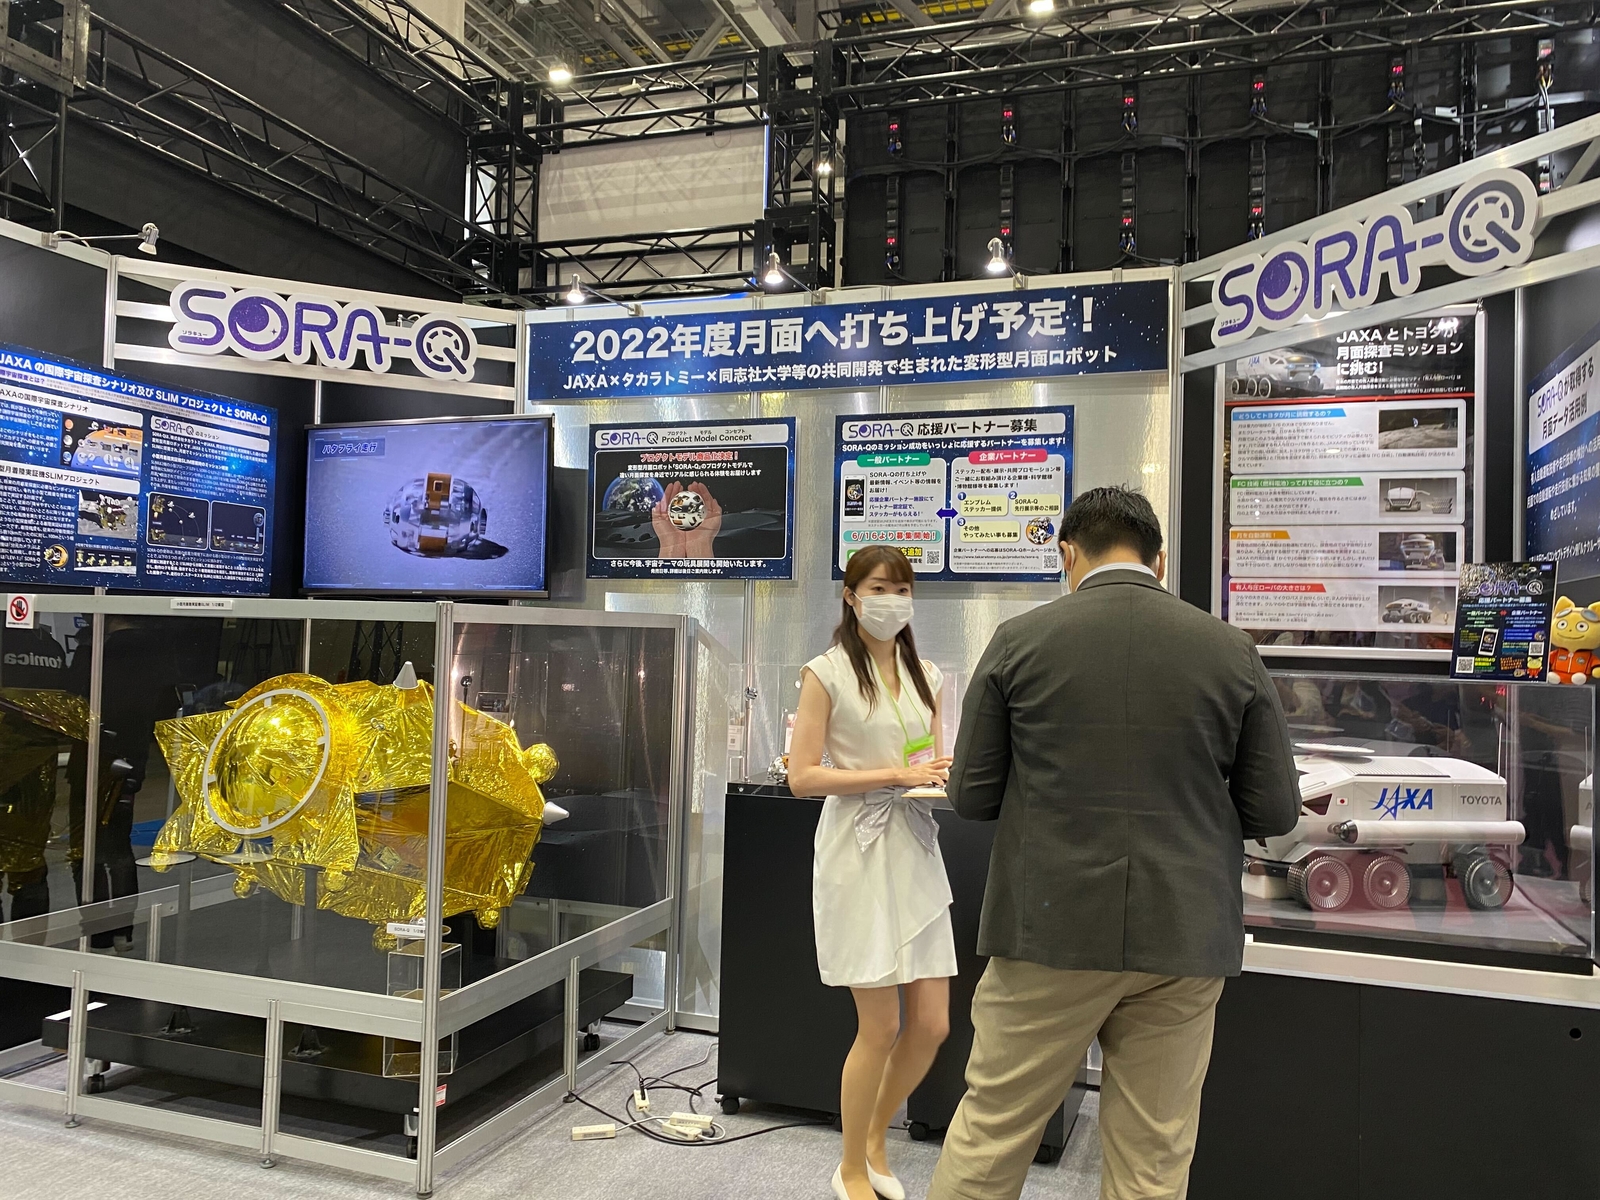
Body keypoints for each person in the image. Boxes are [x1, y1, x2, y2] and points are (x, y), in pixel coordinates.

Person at [929, 486, 1298, 1200]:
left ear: (1068, 553)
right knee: (1153, 1163)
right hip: (1183, 934)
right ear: (1159, 561)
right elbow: (1274, 809)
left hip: (1047, 930)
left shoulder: (1019, 641)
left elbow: (971, 796)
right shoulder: (1231, 649)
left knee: (992, 1136)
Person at [787, 545, 956, 1200]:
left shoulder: (927, 675)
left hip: (914, 844)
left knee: (933, 1024)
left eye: (902, 588)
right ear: (851, 596)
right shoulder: (825, 672)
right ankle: (851, 1166)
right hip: (856, 851)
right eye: (879, 588)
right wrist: (894, 775)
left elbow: (930, 760)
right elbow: (803, 777)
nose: (892, 600)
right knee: (880, 1025)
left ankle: (875, 1135)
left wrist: (942, 776)